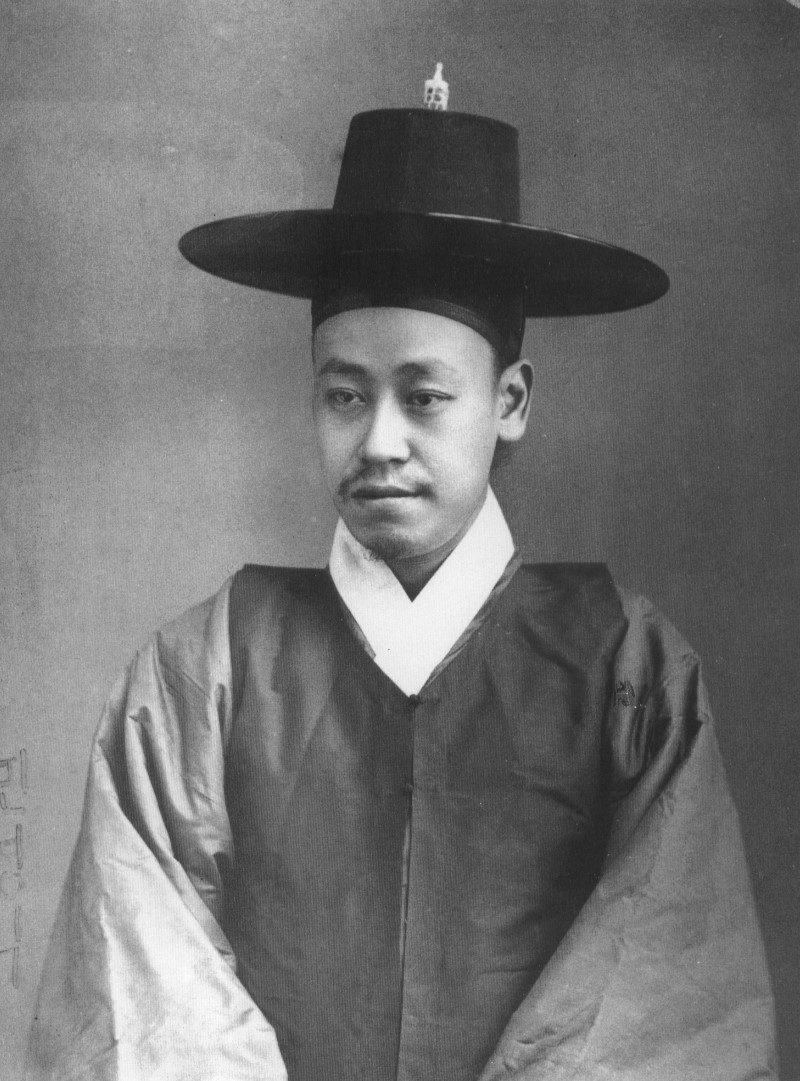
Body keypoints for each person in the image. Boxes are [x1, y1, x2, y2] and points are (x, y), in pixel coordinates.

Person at [27, 90, 776, 1081]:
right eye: (344, 394)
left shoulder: (626, 670)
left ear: (509, 401)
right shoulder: (204, 671)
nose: (379, 440)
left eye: (423, 396)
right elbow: (140, 1000)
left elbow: (666, 1006)